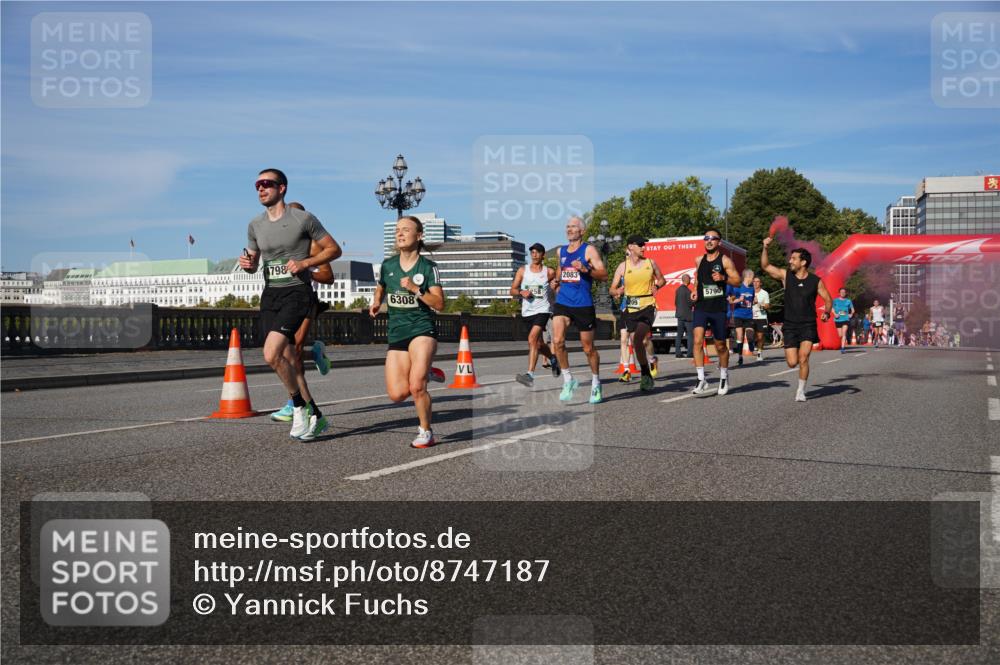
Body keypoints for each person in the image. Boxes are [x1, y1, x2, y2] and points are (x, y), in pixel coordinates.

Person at [239, 169, 341, 440]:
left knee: (272, 353)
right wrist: (248, 265)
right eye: (257, 185)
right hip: (270, 294)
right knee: (285, 358)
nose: (261, 189)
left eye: (267, 184)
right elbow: (253, 261)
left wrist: (306, 263)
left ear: (281, 188)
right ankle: (316, 416)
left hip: (297, 293)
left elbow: (334, 249)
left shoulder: (303, 219)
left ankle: (297, 407)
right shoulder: (255, 225)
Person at [369, 216, 445, 448]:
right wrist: (376, 302)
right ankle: (426, 371)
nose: (400, 234)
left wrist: (415, 290)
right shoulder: (388, 265)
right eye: (397, 230)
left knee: (416, 387)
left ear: (419, 235)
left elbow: (439, 303)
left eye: (406, 230)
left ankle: (426, 431)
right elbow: (381, 286)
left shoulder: (427, 267)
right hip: (397, 331)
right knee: (397, 394)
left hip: (422, 329)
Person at [270, 202, 335, 423]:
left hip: (307, 301)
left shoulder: (314, 246)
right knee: (284, 353)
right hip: (285, 302)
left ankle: (295, 404)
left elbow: (329, 277)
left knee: (294, 350)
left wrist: (306, 269)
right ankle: (315, 353)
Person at [761, 237, 833, 402]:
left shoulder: (815, 281)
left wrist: (827, 312)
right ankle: (799, 382)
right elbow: (765, 266)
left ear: (804, 262)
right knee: (792, 362)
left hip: (808, 324)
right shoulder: (786, 276)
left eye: (793, 258)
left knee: (803, 357)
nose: (790, 261)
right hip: (790, 325)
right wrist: (765, 247)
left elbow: (828, 300)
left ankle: (801, 391)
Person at [551, 216, 607, 404]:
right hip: (563, 301)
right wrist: (556, 282)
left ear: (582, 231)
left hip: (583, 303)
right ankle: (568, 379)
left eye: (573, 227)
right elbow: (560, 272)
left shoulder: (589, 250)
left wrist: (585, 269)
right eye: (567, 226)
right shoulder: (561, 251)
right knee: (557, 340)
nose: (569, 229)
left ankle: (596, 383)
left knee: (588, 348)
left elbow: (604, 275)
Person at [610, 235, 666, 392]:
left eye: (644, 244)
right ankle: (646, 371)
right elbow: (612, 288)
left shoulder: (650, 263)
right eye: (640, 244)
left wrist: (657, 286)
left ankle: (645, 374)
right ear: (631, 247)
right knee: (636, 342)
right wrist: (617, 291)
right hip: (630, 309)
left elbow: (662, 279)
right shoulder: (623, 266)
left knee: (640, 338)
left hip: (648, 306)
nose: (644, 247)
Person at [690, 229, 741, 395]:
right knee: (697, 341)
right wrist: (695, 290)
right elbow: (698, 279)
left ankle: (724, 377)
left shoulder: (725, 261)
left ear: (719, 242)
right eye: (706, 238)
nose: (709, 241)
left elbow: (737, 281)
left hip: (718, 308)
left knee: (720, 346)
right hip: (701, 307)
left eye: (713, 238)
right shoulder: (699, 260)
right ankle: (701, 379)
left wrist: (723, 278)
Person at [512, 243, 560, 387]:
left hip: (543, 310)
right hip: (527, 312)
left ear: (543, 255)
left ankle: (530, 375)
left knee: (532, 339)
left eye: (538, 252)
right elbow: (512, 290)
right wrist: (521, 292)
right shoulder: (522, 270)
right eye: (532, 252)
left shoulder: (548, 272)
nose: (534, 254)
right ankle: (553, 359)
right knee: (538, 344)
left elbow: (557, 280)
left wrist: (556, 286)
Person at [727, 269, 756, 366]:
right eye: (752, 277)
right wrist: (739, 299)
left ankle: (751, 344)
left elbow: (753, 300)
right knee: (739, 336)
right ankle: (740, 357)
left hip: (748, 315)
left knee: (750, 334)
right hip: (738, 314)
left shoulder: (752, 289)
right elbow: (731, 301)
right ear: (749, 277)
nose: (753, 280)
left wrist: (754, 300)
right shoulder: (737, 288)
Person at [751, 276, 770, 361]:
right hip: (750, 316)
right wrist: (752, 302)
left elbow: (767, 306)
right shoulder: (749, 292)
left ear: (760, 283)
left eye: (757, 281)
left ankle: (759, 353)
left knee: (760, 336)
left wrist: (759, 303)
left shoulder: (764, 293)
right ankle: (753, 346)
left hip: (761, 317)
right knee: (751, 335)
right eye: (754, 281)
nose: (755, 283)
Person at [675, 273, 694, 358]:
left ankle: (678, 352)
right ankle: (689, 353)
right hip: (688, 316)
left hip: (679, 315)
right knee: (690, 335)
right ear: (688, 280)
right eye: (689, 279)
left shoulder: (678, 290)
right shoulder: (688, 291)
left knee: (679, 334)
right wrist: (694, 302)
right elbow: (690, 303)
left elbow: (675, 302)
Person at [832, 287, 855, 354]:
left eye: (844, 292)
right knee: (840, 335)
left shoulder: (848, 301)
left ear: (845, 293)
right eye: (841, 292)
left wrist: (851, 314)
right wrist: (835, 314)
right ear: (839, 293)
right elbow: (832, 308)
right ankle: (843, 343)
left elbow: (853, 309)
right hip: (838, 319)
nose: (843, 293)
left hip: (845, 319)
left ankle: (842, 348)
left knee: (844, 333)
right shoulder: (835, 300)